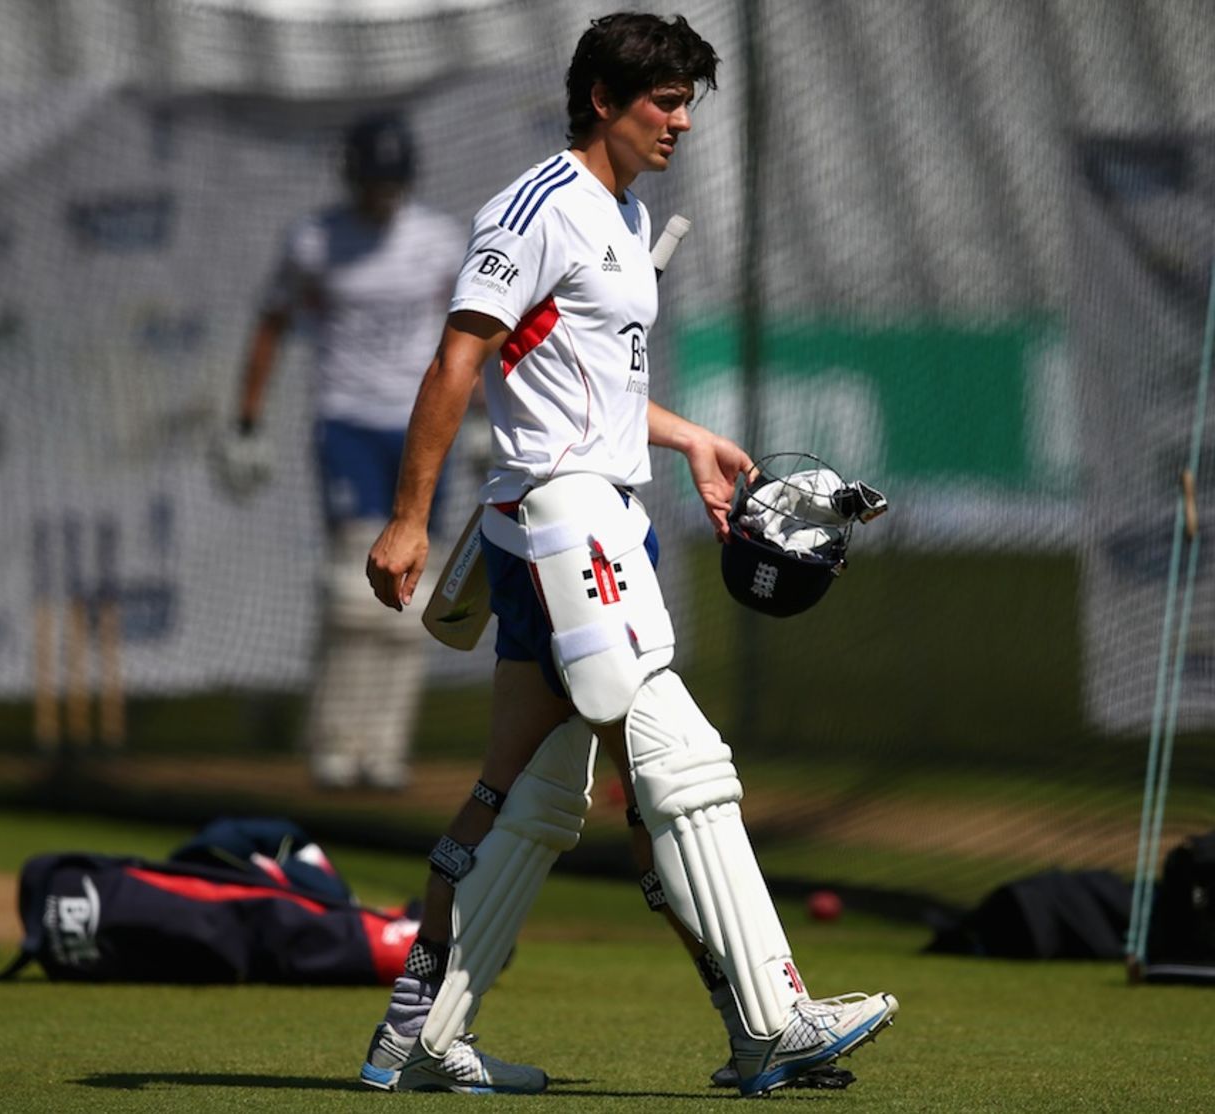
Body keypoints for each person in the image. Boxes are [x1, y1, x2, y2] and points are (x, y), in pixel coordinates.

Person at [359, 12, 898, 1097]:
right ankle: (771, 1015)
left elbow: (595, 385)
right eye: (663, 99)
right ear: (601, 97)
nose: (681, 119)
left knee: (533, 793)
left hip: (592, 512)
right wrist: (408, 515)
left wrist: (687, 433)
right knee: (680, 761)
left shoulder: (623, 210)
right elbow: (457, 362)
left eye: (689, 99)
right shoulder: (536, 209)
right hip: (560, 520)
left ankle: (418, 1033)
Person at [215, 112, 464, 791]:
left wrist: (483, 419)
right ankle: (334, 742)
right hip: (347, 422)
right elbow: (272, 322)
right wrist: (246, 419)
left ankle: (383, 751)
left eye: (393, 182)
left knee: (415, 594)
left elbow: (471, 335)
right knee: (353, 591)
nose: (383, 195)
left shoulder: (439, 242)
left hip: (420, 427)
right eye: (372, 181)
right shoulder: (315, 241)